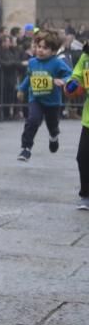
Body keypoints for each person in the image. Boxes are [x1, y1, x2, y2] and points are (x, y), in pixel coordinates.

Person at [16, 29, 71, 162]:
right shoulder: (33, 62)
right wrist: (21, 89)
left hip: (52, 102)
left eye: (45, 48)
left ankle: (53, 137)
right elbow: (29, 77)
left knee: (52, 126)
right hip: (36, 98)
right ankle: (26, 148)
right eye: (39, 47)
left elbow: (70, 74)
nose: (40, 50)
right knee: (33, 120)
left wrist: (62, 81)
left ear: (53, 51)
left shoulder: (57, 62)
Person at [64, 50, 89, 210]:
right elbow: (77, 76)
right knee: (83, 157)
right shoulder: (86, 55)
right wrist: (71, 85)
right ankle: (86, 195)